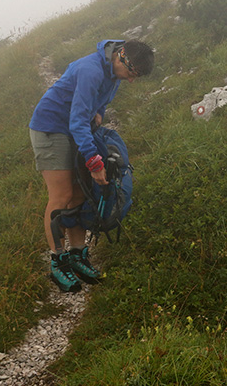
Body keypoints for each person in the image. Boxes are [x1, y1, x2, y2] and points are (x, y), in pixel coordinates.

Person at [29, 39, 154, 292]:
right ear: (121, 58)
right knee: (61, 195)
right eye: (132, 73)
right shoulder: (91, 71)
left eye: (136, 77)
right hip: (51, 128)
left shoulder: (113, 74)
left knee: (79, 193)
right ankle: (58, 262)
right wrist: (94, 161)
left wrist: (99, 111)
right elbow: (77, 122)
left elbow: (99, 102)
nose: (131, 80)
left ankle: (77, 254)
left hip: (74, 128)